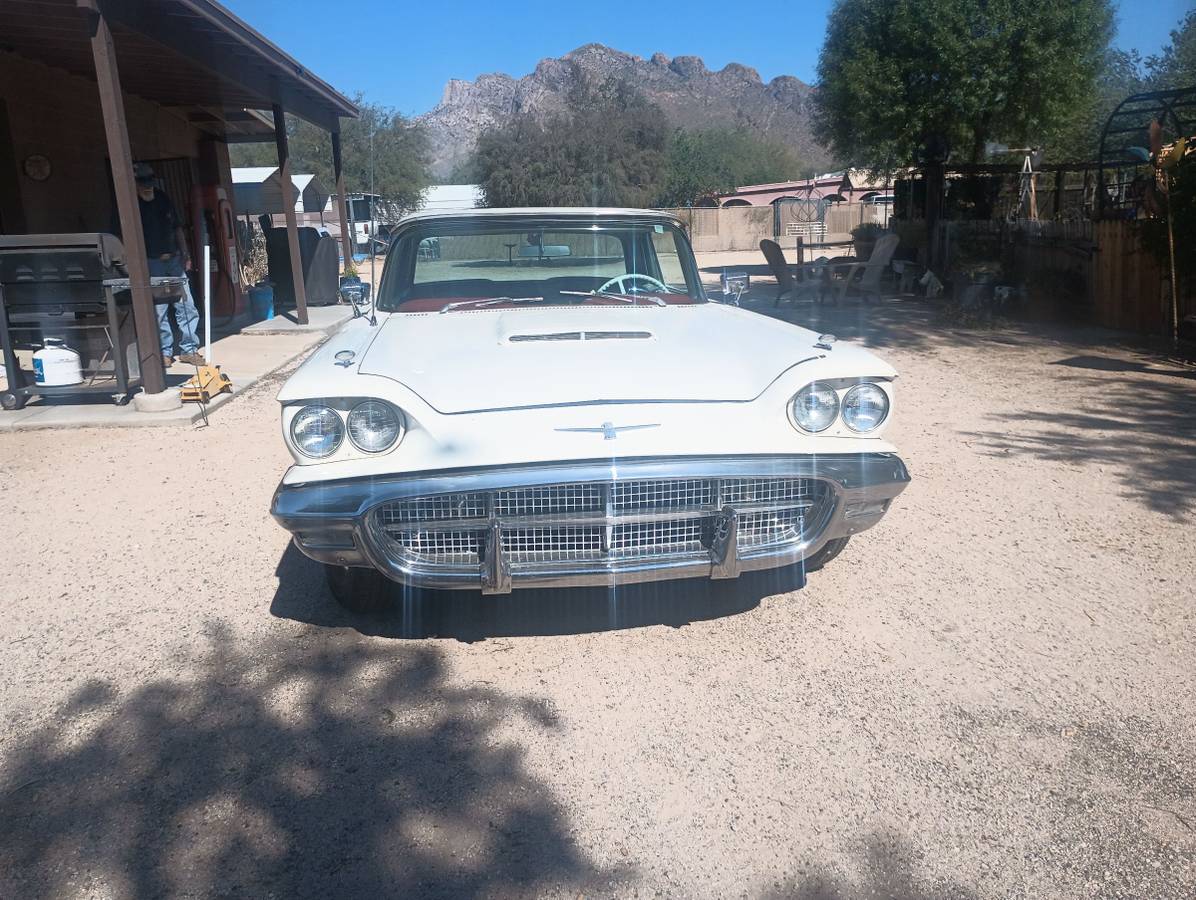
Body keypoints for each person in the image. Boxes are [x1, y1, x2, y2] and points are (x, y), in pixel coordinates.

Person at [125, 163, 203, 367]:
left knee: (187, 306)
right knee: (159, 310)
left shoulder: (162, 198)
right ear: (134, 184)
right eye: (142, 184)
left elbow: (177, 227)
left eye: (149, 183)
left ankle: (189, 350)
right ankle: (164, 352)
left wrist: (185, 253)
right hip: (151, 263)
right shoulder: (130, 206)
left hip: (174, 260)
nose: (147, 187)